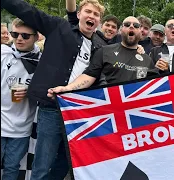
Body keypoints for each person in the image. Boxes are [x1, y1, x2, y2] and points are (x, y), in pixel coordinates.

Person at [1, 0, 105, 179]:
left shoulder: (100, 46)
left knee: (66, 163)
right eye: (88, 11)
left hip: (78, 113)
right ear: (79, 15)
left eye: (96, 15)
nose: (92, 16)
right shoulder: (59, 27)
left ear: (99, 22)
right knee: (42, 164)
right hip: (51, 107)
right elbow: (29, 11)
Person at [47, 16, 158, 95]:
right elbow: (89, 75)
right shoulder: (105, 51)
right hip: (107, 112)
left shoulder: (147, 60)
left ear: (140, 32)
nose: (131, 27)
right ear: (120, 30)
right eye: (127, 24)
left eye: (136, 25)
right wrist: (67, 89)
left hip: (134, 114)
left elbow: (157, 88)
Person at [1, 18, 40, 180]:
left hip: (22, 126)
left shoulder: (42, 61)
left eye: (25, 36)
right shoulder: (3, 53)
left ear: (36, 37)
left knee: (12, 167)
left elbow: (49, 90)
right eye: (15, 34)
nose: (19, 39)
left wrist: (30, 90)